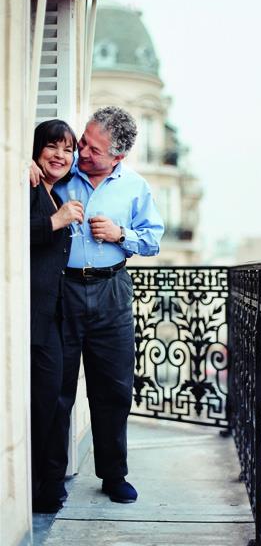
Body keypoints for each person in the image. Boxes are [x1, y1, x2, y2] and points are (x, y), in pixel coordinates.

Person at [31, 106, 164, 508]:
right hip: (62, 293)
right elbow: (37, 165)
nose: (81, 152)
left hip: (112, 292)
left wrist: (121, 234)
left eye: (92, 148)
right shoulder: (58, 175)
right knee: (57, 392)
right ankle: (50, 481)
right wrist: (24, 164)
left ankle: (114, 474)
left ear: (117, 157)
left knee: (113, 390)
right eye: (83, 142)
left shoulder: (135, 187)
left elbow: (153, 240)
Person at [30, 119, 84, 513]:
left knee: (53, 400)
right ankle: (36, 486)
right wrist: (57, 220)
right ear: (37, 148)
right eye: (53, 146)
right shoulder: (28, 187)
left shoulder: (51, 189)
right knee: (43, 401)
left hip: (54, 314)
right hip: (31, 315)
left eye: (68, 150)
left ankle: (49, 486)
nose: (60, 156)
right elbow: (10, 231)